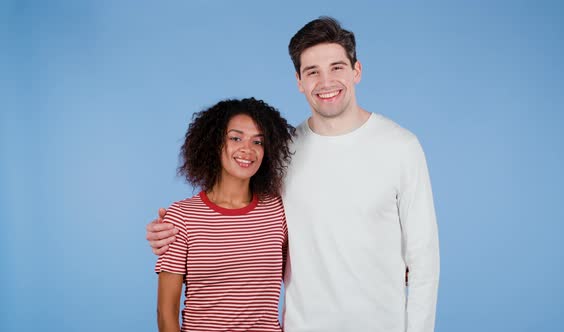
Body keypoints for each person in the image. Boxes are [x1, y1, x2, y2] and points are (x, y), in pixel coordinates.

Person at [148, 17, 440, 332]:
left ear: (357, 71)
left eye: (337, 67)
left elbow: (423, 261)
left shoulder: (401, 147)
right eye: (312, 71)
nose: (326, 81)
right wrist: (173, 232)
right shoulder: (283, 153)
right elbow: (243, 223)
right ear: (299, 81)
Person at [155, 97, 294, 332]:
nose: (247, 149)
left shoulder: (279, 212)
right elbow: (166, 313)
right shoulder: (182, 217)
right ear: (214, 143)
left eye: (258, 141)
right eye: (236, 138)